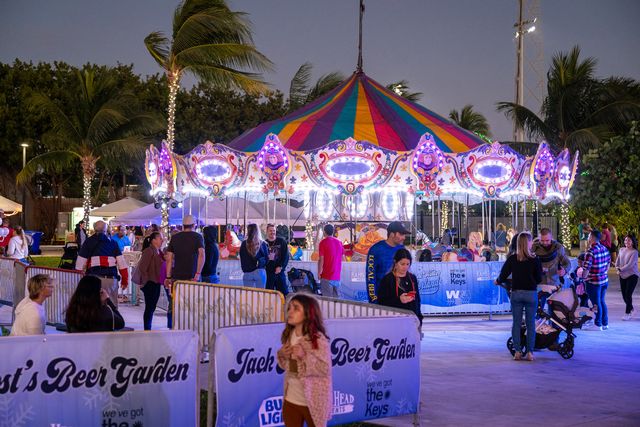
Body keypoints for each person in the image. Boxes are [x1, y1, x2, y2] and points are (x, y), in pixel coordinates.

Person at [277, 294, 332, 427]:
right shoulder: (289, 335)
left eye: (296, 308)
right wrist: (281, 354)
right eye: (289, 308)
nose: (290, 312)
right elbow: (288, 366)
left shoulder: (318, 339)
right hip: (291, 399)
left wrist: (304, 356)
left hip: (313, 402)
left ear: (308, 313)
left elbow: (324, 368)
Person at [496, 232, 542, 361]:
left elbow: (503, 275)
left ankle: (517, 351)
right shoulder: (535, 260)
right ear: (529, 243)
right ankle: (530, 353)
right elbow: (538, 278)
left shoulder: (512, 259)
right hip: (531, 294)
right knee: (530, 324)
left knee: (516, 323)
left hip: (516, 294)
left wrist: (498, 281)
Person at [75, 220, 128, 307]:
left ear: (94, 229)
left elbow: (80, 263)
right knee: (111, 306)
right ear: (106, 229)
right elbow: (122, 263)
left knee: (94, 306)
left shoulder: (88, 242)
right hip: (111, 279)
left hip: (93, 279)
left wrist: (78, 278)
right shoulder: (113, 243)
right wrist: (125, 280)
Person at [165, 215, 204, 328]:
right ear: (194, 225)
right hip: (192, 276)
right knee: (192, 304)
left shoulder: (175, 238)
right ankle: (190, 328)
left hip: (177, 276)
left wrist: (168, 277)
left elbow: (169, 258)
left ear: (183, 225)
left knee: (175, 303)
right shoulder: (198, 237)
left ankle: (172, 326)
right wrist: (197, 274)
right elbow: (202, 255)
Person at [376, 249, 423, 326]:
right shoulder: (387, 279)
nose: (405, 267)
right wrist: (399, 300)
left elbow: (417, 300)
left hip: (411, 322)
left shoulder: (412, 278)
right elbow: (381, 302)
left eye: (408, 264)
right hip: (393, 323)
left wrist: (419, 319)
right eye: (402, 264)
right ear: (395, 263)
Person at [365, 221, 409, 303]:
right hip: (381, 297)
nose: (404, 237)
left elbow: (406, 273)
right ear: (392, 234)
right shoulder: (375, 249)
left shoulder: (402, 249)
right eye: (401, 234)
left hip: (400, 298)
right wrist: (373, 299)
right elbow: (370, 276)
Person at [531, 228, 570, 312]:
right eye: (542, 240)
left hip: (554, 283)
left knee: (555, 311)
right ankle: (538, 324)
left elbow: (567, 263)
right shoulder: (533, 247)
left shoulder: (558, 247)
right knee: (537, 311)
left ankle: (553, 325)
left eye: (547, 240)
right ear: (539, 238)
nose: (545, 243)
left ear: (551, 237)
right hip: (539, 284)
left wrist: (564, 270)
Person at [135, 232, 166, 330]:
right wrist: (145, 281)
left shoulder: (159, 251)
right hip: (150, 282)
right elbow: (143, 267)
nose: (162, 240)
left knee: (152, 307)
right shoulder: (149, 251)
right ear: (154, 240)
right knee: (149, 307)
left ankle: (148, 327)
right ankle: (147, 328)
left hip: (156, 282)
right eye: (160, 238)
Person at [582, 230, 611, 330]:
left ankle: (597, 324)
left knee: (596, 303)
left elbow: (586, 269)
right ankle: (605, 323)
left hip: (593, 282)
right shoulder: (605, 249)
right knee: (602, 301)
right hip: (604, 280)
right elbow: (608, 265)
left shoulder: (590, 252)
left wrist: (583, 278)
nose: (588, 238)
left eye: (589, 236)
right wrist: (601, 273)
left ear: (592, 238)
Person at [615, 234, 638, 320]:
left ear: (632, 242)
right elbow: (617, 261)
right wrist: (617, 267)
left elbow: (630, 265)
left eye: (628, 240)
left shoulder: (634, 252)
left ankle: (627, 313)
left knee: (628, 294)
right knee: (624, 295)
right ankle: (631, 308)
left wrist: (620, 269)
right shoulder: (621, 249)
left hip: (632, 275)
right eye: (625, 240)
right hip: (622, 275)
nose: (626, 242)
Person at [318, 224, 344, 298]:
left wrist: (319, 272)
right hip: (337, 276)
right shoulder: (339, 242)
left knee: (327, 301)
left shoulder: (323, 243)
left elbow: (321, 259)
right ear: (332, 232)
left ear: (324, 232)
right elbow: (343, 258)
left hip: (327, 275)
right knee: (337, 301)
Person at [239, 223, 268, 288]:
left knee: (248, 296)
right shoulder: (262, 243)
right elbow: (267, 259)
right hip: (259, 272)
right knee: (260, 295)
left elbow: (241, 257)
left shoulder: (243, 244)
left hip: (247, 273)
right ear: (258, 231)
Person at [265, 223, 290, 295]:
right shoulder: (264, 243)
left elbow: (286, 256)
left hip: (279, 272)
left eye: (274, 230)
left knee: (283, 293)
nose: (272, 232)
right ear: (267, 231)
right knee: (268, 294)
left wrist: (281, 266)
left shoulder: (281, 241)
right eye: (270, 230)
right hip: (268, 272)